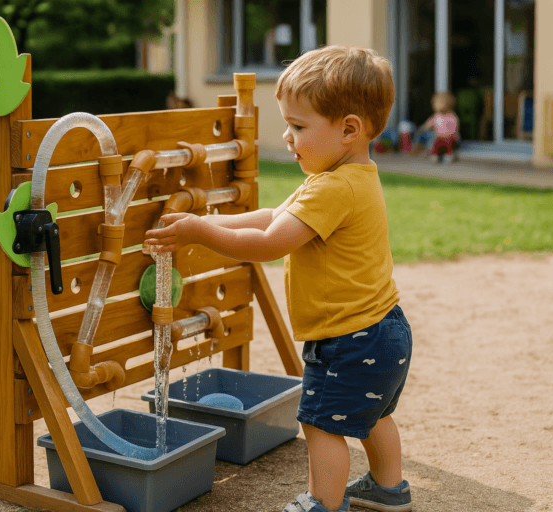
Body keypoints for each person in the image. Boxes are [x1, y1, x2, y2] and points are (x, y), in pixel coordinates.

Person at [144, 45, 413, 512]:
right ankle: (389, 488)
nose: (288, 137)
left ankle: (322, 502)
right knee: (373, 414)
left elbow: (269, 243)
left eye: (299, 127)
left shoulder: (333, 187)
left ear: (349, 129)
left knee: (321, 423)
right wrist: (203, 223)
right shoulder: (347, 177)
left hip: (348, 338)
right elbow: (272, 217)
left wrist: (201, 232)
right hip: (383, 329)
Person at [420, 91, 460, 163]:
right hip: (439, 137)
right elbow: (429, 123)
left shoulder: (452, 116)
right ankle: (435, 155)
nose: (435, 106)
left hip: (449, 137)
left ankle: (449, 155)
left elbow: (455, 128)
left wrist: (455, 136)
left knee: (448, 144)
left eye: (437, 103)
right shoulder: (437, 116)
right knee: (436, 143)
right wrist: (425, 127)